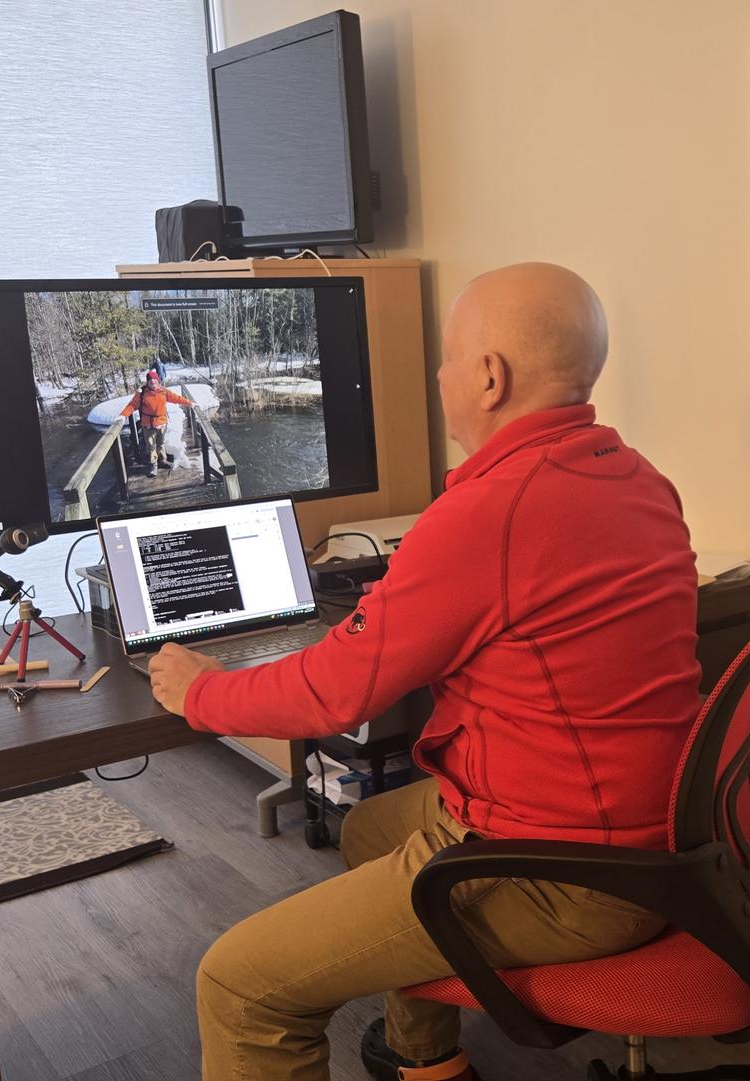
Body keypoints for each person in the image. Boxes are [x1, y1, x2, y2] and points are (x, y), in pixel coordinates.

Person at [147, 263, 703, 1081]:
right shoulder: (636, 477)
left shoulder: (490, 510)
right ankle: (428, 1060)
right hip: (654, 833)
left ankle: (412, 1046)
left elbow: (333, 691)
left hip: (564, 873)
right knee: (370, 829)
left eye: (446, 357)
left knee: (240, 985)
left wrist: (200, 690)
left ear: (489, 376)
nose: (439, 376)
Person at [120, 368, 194, 476]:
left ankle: (162, 460)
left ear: (158, 381)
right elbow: (132, 405)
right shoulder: (142, 394)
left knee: (161, 443)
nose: (152, 382)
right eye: (150, 380)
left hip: (162, 423)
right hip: (148, 425)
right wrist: (123, 415)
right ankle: (153, 465)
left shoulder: (163, 391)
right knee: (151, 446)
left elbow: (177, 398)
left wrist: (190, 403)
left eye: (154, 380)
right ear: (147, 382)